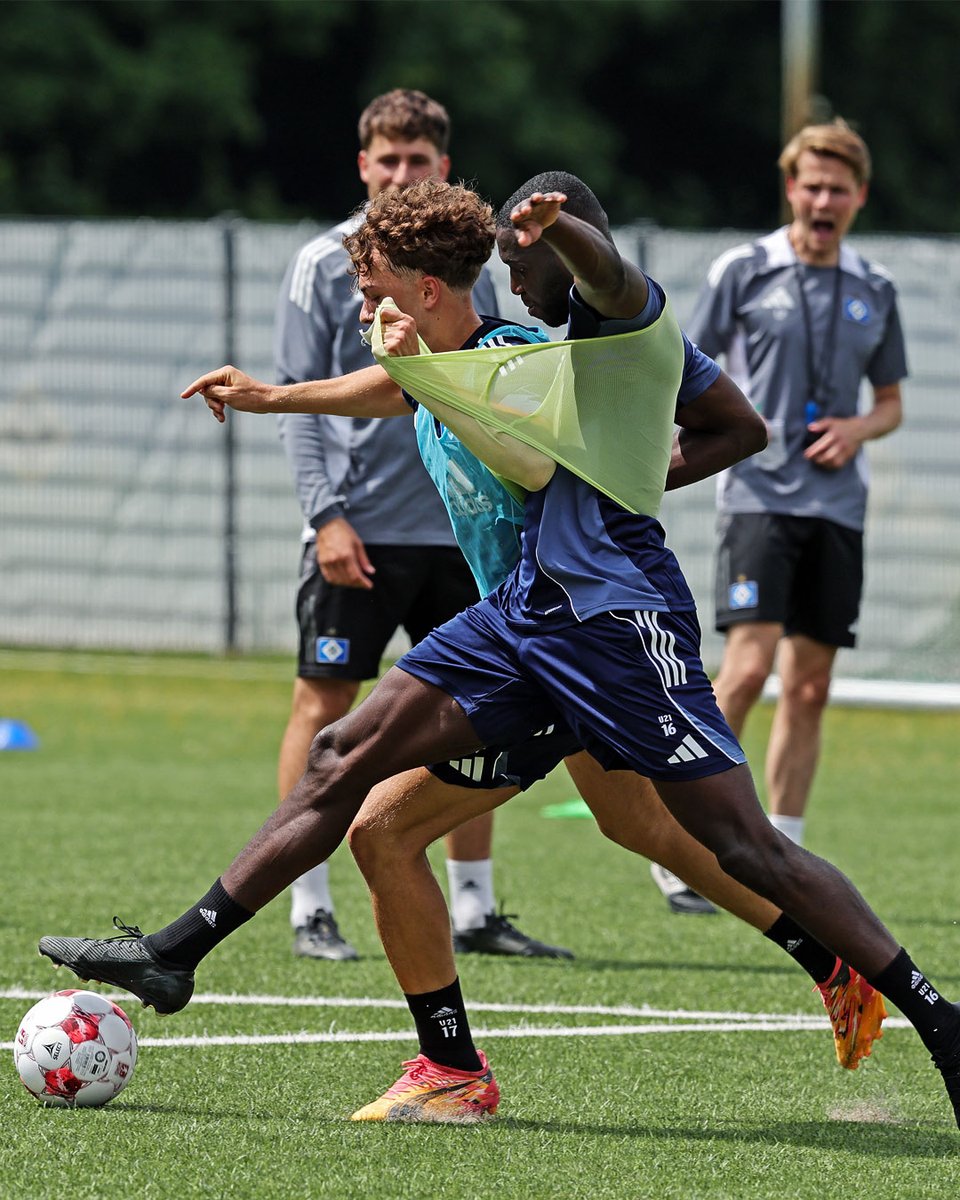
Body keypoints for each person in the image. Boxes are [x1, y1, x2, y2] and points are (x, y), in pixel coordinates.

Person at [39, 175, 960, 1132]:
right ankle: (207, 967)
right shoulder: (458, 353)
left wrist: (561, 273)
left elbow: (523, 447)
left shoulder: (544, 346)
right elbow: (408, 391)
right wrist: (276, 396)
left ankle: (920, 1010)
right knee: (369, 792)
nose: (364, 307)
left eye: (378, 286)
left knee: (727, 839)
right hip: (520, 624)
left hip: (606, 624)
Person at [273, 87, 568, 960]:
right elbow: (306, 400)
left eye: (418, 162)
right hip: (360, 528)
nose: (401, 173)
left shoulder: (474, 297)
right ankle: (309, 902)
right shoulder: (322, 263)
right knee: (325, 705)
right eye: (387, 161)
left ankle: (475, 907)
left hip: (466, 534)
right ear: (364, 166)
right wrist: (325, 515)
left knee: (481, 715)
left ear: (441, 169)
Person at [684, 117, 905, 851]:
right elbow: (688, 370)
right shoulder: (745, 269)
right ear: (791, 189)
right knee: (745, 672)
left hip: (838, 507)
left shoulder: (876, 287)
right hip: (758, 497)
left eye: (837, 188)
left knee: (810, 688)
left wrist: (855, 431)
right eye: (811, 185)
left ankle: (785, 849)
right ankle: (695, 842)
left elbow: (891, 404)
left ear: (859, 197)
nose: (823, 199)